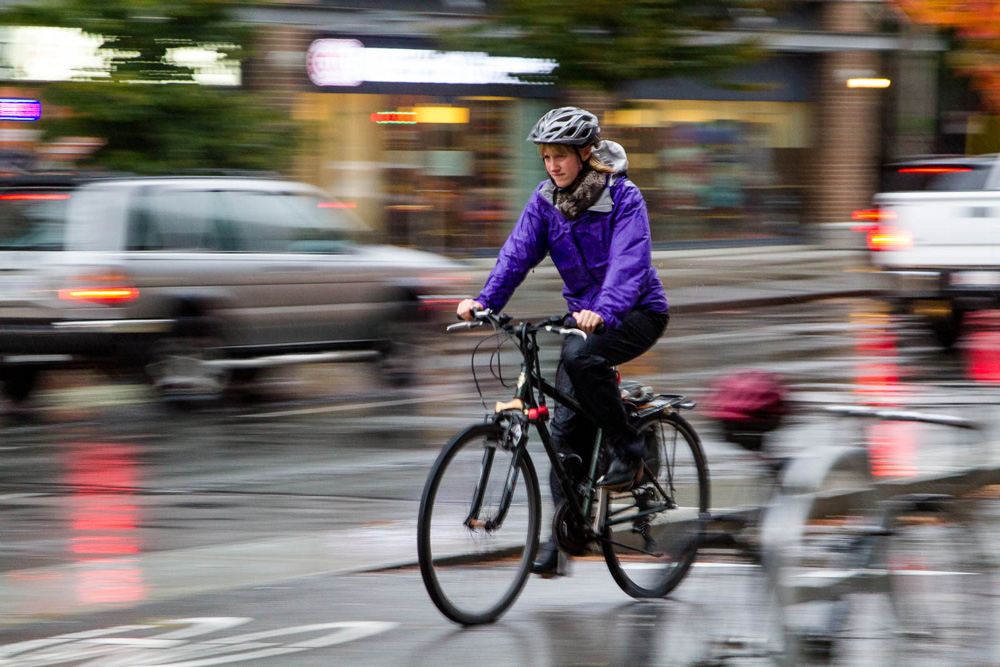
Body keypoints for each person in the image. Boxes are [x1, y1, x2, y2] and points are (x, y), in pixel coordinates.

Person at [456, 106, 669, 577]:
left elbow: (629, 263)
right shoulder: (546, 200)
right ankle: (559, 538)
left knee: (581, 357)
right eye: (546, 156)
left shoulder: (622, 197)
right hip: (585, 318)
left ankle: (630, 453)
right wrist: (484, 300)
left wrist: (604, 310)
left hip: (635, 311)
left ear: (586, 152)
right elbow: (517, 253)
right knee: (564, 431)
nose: (552, 165)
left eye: (561, 156)